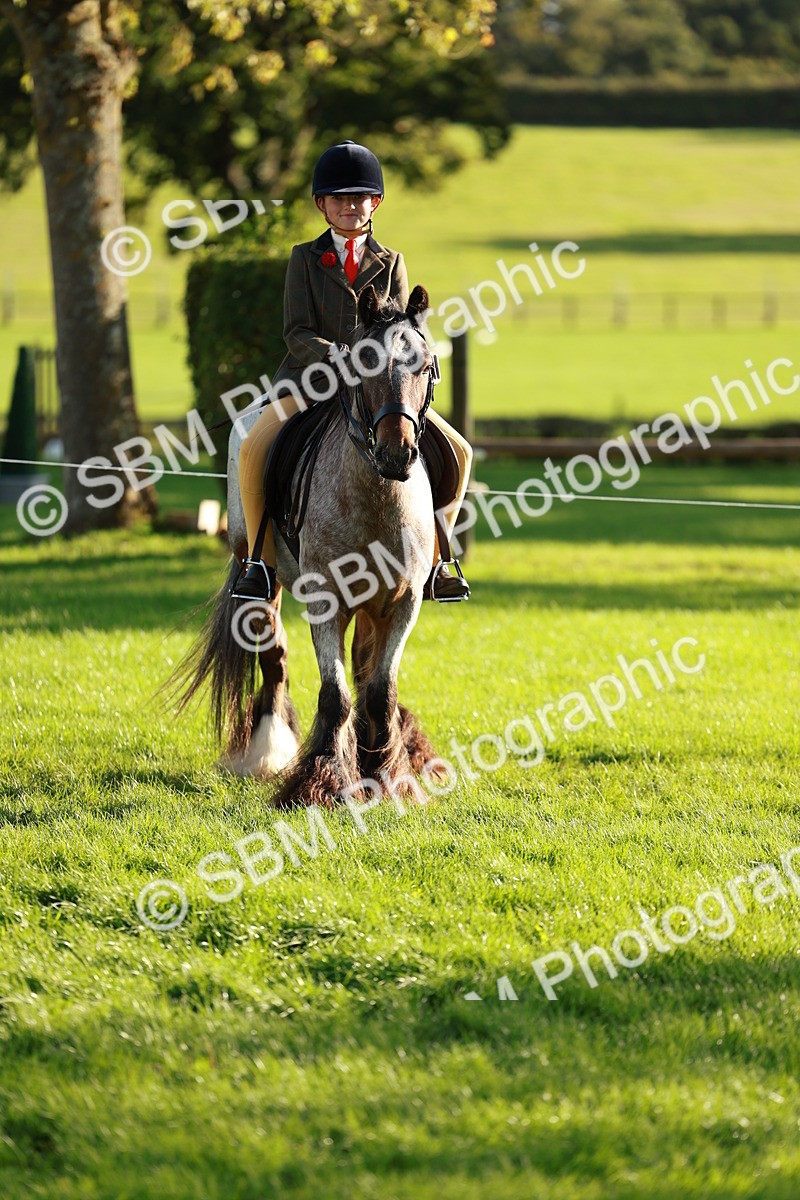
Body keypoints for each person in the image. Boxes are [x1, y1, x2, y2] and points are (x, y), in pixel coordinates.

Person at [232, 140, 472, 604]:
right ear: (322, 205)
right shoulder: (304, 258)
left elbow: (404, 329)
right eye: (338, 198)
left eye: (358, 197)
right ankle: (260, 563)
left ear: (374, 203)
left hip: (378, 389)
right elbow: (296, 331)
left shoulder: (393, 262)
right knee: (252, 448)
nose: (349, 206)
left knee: (459, 452)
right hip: (309, 383)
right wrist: (339, 357)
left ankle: (441, 559)